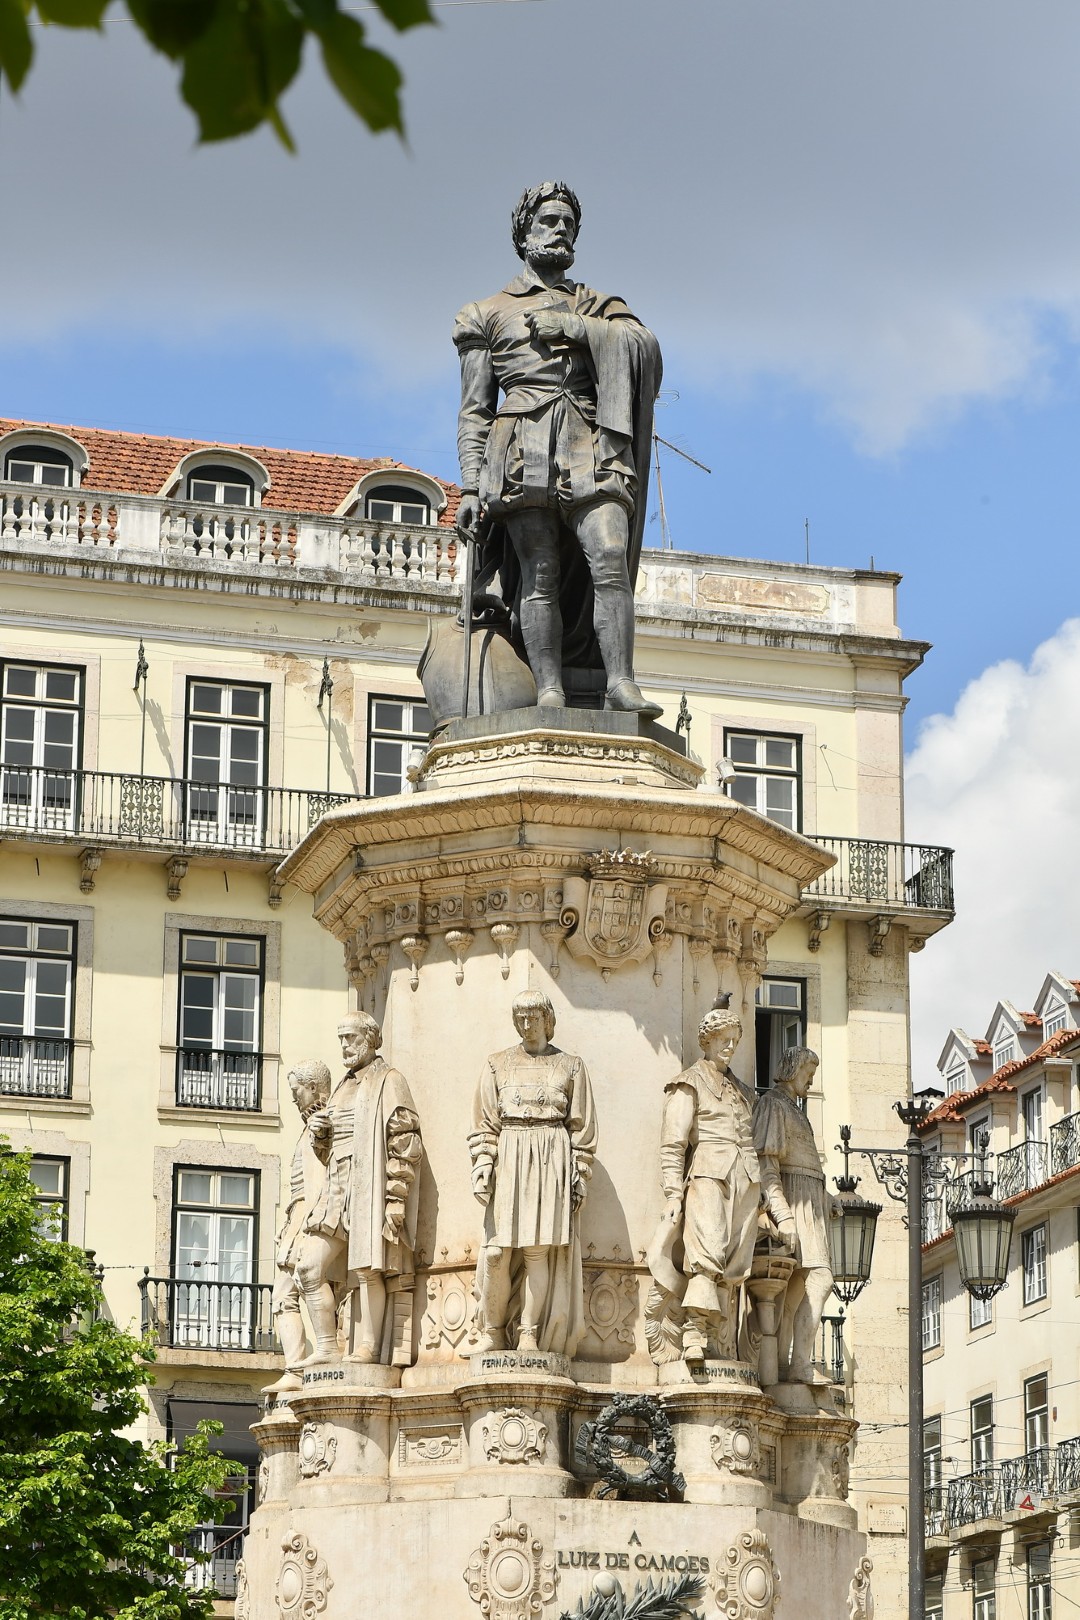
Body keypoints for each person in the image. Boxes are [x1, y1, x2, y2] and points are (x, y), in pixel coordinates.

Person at [453, 181, 663, 716]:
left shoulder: (600, 307)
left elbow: (645, 349)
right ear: (524, 234)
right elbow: (475, 408)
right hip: (521, 447)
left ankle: (620, 682)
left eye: (568, 222)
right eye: (549, 220)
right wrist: (471, 485)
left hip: (593, 441)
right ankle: (548, 688)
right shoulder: (484, 312)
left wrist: (578, 327)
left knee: (610, 555)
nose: (561, 229)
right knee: (539, 573)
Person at [468, 990, 598, 1355]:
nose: (527, 1024)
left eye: (534, 1017)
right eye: (521, 1018)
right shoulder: (496, 1064)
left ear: (548, 1020)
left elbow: (581, 1126)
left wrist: (580, 1172)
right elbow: (485, 1122)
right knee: (496, 1253)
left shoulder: (571, 1066)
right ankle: (493, 1331)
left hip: (550, 1156)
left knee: (537, 1253)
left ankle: (529, 1332)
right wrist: (483, 1163)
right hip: (509, 1154)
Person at [294, 1012, 421, 1366]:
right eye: (341, 1039)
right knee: (308, 1268)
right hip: (336, 1186)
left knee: (368, 1267)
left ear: (371, 1038)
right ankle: (326, 1347)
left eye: (350, 1038)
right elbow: (327, 1150)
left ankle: (369, 1345)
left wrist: (396, 1197)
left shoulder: (389, 1080)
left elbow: (405, 1141)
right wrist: (320, 1135)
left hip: (369, 1182)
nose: (345, 1046)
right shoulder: (341, 1087)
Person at [650, 1006, 762, 1363]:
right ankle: (694, 1331)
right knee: (706, 1254)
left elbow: (750, 1140)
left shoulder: (743, 1091)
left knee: (733, 1265)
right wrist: (673, 1193)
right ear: (707, 1040)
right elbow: (673, 1143)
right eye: (723, 1039)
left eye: (734, 1041)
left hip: (746, 1181)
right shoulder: (689, 1082)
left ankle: (718, 1337)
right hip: (709, 1176)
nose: (729, 1047)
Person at [753, 1047, 834, 1384]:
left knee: (794, 1292)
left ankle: (784, 1367)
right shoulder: (773, 1103)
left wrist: (826, 1197)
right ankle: (799, 1362)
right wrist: (783, 1215)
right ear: (792, 1069)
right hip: (794, 1203)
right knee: (821, 1279)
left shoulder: (796, 1110)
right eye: (807, 1073)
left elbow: (804, 1163)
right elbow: (767, 1167)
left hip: (811, 1202)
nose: (811, 1080)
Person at [264, 1059, 333, 1395]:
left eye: (297, 1090)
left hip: (313, 1215)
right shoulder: (308, 1125)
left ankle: (325, 1350)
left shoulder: (323, 1120)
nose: (293, 1097)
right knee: (283, 1295)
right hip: (298, 1217)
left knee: (306, 1282)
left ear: (313, 1087)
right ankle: (294, 1367)